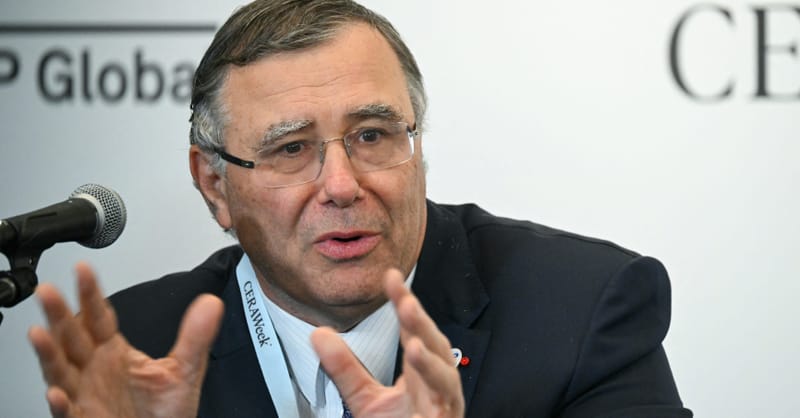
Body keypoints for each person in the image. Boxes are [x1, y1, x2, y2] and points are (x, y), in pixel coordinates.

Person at [27, 1, 692, 417]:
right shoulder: (139, 344)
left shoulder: (581, 314)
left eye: (372, 136)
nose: (342, 184)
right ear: (214, 184)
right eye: (290, 149)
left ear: (418, 144)